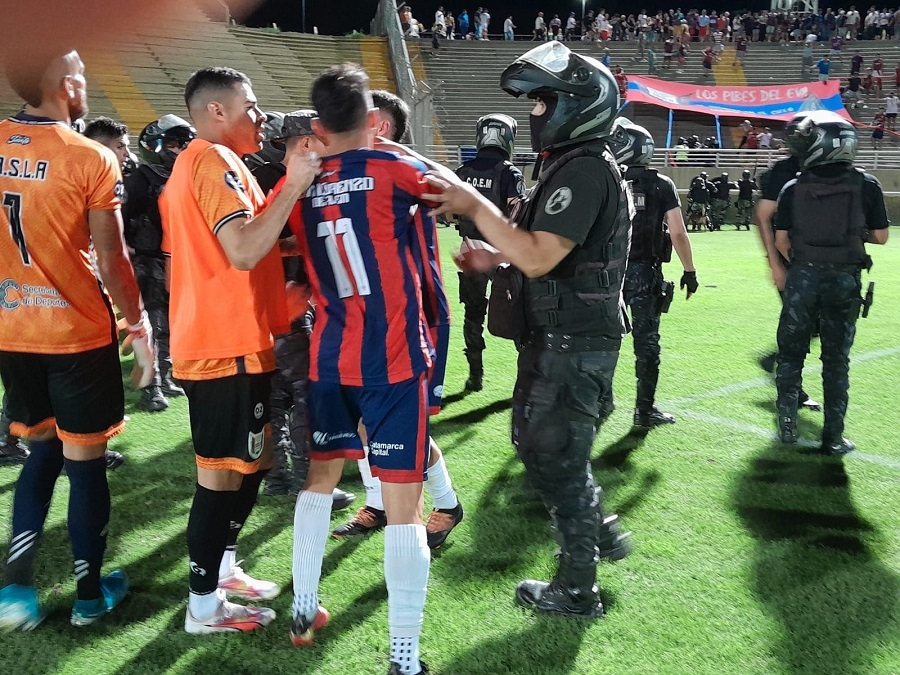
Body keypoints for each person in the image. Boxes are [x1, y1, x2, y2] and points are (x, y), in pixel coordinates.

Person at [424, 41, 631, 619]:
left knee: (553, 454)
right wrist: (495, 257)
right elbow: (547, 251)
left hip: (574, 342)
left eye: (543, 102)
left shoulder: (585, 168)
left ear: (576, 105)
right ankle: (596, 526)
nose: (536, 113)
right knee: (541, 447)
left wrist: (475, 205)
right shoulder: (567, 165)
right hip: (558, 338)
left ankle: (578, 588)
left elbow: (541, 256)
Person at [286, 66, 438, 675]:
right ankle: (404, 657)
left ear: (317, 124)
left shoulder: (298, 181)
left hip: (329, 355)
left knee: (319, 479)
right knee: (404, 507)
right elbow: (452, 193)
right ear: (373, 120)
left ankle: (302, 610)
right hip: (394, 358)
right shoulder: (398, 168)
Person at [160, 67, 320, 634]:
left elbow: (255, 243)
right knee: (221, 474)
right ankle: (203, 606)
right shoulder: (210, 161)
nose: (260, 116)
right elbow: (245, 249)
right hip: (220, 345)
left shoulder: (217, 163)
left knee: (257, 459)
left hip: (238, 339)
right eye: (250, 106)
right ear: (217, 111)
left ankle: (223, 570)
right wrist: (295, 183)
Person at [0, 48, 155, 630]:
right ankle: (90, 595)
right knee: (85, 463)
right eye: (83, 75)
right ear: (67, 85)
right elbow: (113, 261)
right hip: (75, 332)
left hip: (12, 329)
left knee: (42, 450)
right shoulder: (90, 156)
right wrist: (139, 325)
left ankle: (16, 592)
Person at [330, 90, 464, 551]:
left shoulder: (404, 173)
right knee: (364, 421)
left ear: (379, 127)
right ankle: (378, 503)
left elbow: (455, 191)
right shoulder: (355, 178)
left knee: (407, 428)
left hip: (418, 320)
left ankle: (446, 504)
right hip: (367, 324)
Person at [246, 110, 356, 510]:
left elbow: (268, 243)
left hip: (265, 310)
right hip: (287, 309)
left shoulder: (272, 183)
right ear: (307, 142)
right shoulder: (293, 186)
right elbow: (263, 244)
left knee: (274, 397)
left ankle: (276, 477)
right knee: (307, 394)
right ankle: (308, 480)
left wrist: (295, 249)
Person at [774, 111, 889, 453]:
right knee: (836, 361)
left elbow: (781, 241)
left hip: (802, 278)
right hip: (844, 281)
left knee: (791, 354)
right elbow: (881, 236)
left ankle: (787, 428)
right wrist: (852, 236)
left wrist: (805, 259)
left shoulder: (793, 187)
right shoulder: (866, 184)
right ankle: (833, 438)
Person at [605, 119, 697, 427]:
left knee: (605, 340)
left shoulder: (608, 178)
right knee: (647, 346)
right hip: (645, 273)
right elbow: (678, 232)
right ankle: (644, 411)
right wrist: (689, 271)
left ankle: (602, 402)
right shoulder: (662, 184)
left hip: (608, 274)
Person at [124, 115, 195, 413]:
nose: (180, 150)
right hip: (147, 261)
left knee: (170, 324)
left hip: (175, 259)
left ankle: (164, 377)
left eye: (182, 144)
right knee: (153, 325)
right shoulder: (139, 180)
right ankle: (150, 388)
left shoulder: (181, 176)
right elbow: (119, 218)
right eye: (174, 144)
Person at [452, 113, 525, 392]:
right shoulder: (510, 173)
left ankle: (475, 377)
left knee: (473, 314)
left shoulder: (462, 171)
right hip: (503, 253)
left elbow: (452, 212)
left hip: (470, 249)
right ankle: (525, 381)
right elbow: (517, 213)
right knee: (518, 312)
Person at [755, 113, 822, 411]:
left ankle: (776, 362)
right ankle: (793, 390)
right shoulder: (783, 171)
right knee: (799, 325)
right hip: (790, 259)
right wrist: (774, 264)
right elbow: (762, 217)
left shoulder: (823, 166)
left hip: (819, 259)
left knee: (817, 323)